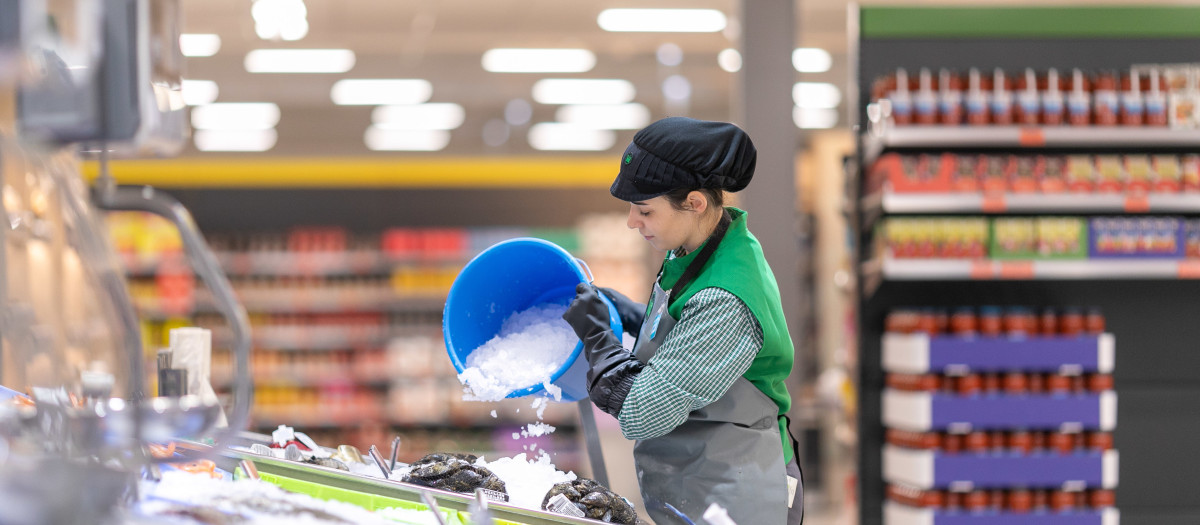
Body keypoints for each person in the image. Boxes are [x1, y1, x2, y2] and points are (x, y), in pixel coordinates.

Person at [563, 117, 803, 525]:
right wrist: (630, 315)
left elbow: (642, 411)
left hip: (736, 496)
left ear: (694, 203)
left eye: (644, 211)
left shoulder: (725, 298)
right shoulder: (699, 248)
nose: (632, 222)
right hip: (700, 482)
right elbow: (688, 339)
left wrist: (598, 338)